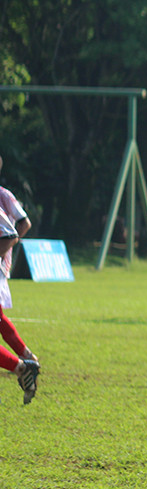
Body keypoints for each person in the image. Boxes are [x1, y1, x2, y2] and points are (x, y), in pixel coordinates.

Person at [0, 159, 40, 404]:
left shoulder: (3, 195)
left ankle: (22, 366)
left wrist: (6, 254)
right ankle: (25, 364)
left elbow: (13, 232)